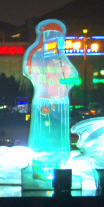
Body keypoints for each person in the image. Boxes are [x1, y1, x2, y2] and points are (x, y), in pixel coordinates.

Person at [23, 20, 77, 165]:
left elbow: (74, 77)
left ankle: (59, 161)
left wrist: (63, 85)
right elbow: (29, 72)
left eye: (57, 36)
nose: (55, 39)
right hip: (43, 101)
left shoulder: (62, 59)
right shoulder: (36, 55)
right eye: (51, 35)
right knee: (42, 132)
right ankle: (40, 161)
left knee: (59, 132)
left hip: (60, 103)